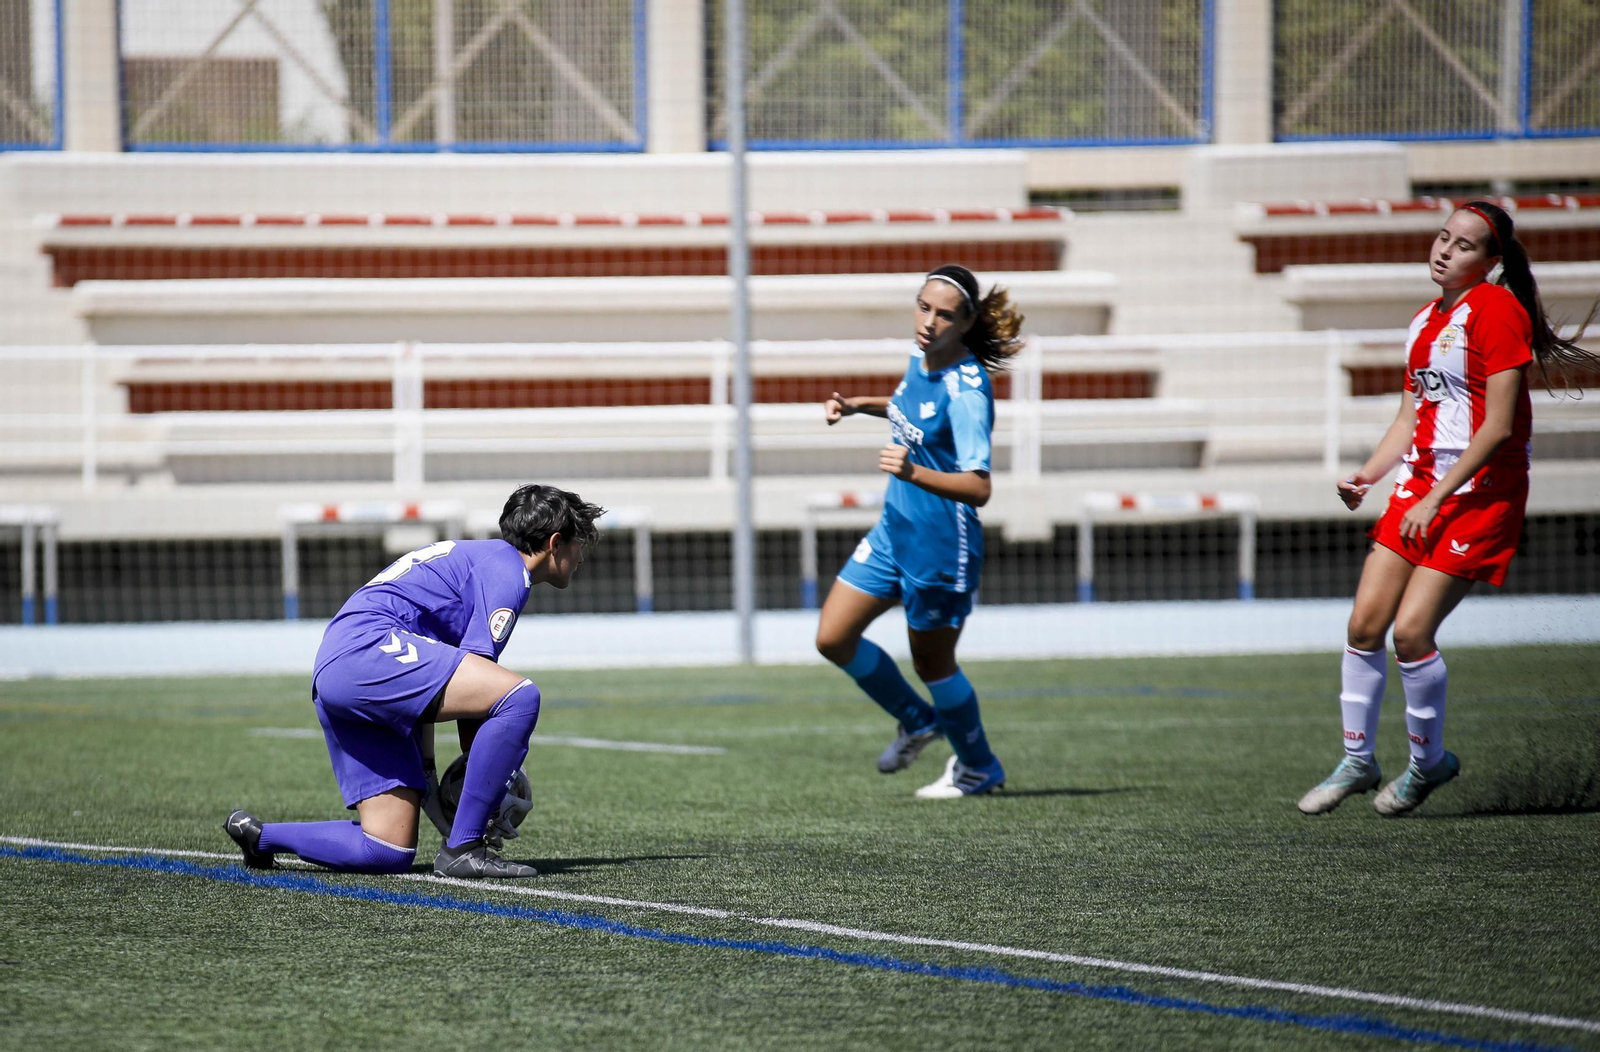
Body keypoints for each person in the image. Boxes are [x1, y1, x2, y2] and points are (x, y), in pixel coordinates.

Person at [1299, 200, 1599, 817]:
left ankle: (1426, 764)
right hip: (1421, 491)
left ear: (1491, 262)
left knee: (1411, 634)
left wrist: (1437, 498)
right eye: (1442, 237)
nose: (1444, 250)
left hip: (1479, 497)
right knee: (1362, 628)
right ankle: (1358, 760)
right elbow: (1411, 418)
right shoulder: (1424, 321)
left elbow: (1495, 430)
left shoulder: (1496, 311)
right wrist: (1368, 475)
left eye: (1463, 245)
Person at [225, 484, 605, 877]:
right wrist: (486, 792)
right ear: (556, 542)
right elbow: (481, 688)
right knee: (519, 698)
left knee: (386, 850)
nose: (581, 556)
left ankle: (260, 836)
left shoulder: (481, 558)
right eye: (580, 543)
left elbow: (435, 679)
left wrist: (429, 777)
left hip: (343, 666)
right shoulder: (506, 569)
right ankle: (465, 849)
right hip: (368, 649)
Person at [816, 264, 1023, 799]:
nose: (929, 322)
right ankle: (917, 721)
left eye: (944, 315)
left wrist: (913, 473)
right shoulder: (920, 357)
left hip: (939, 545)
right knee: (833, 637)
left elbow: (979, 488)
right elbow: (911, 412)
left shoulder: (969, 389)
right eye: (923, 307)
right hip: (894, 532)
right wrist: (861, 406)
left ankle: (979, 767)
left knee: (934, 663)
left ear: (967, 321)